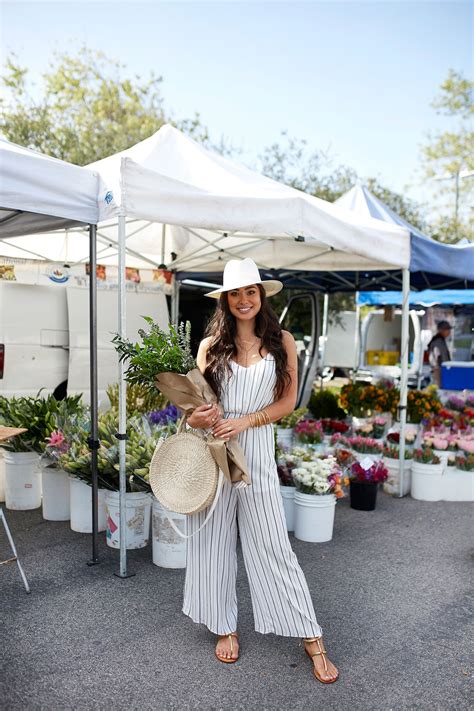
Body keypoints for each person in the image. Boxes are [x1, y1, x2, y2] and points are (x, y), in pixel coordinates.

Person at [184, 257, 339, 684]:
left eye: (250, 291)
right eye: (235, 293)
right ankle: (224, 625)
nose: (243, 300)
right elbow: (193, 403)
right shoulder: (210, 346)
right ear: (226, 300)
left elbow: (288, 403)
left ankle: (312, 636)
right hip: (215, 448)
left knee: (272, 543)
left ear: (262, 295)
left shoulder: (282, 340)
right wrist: (196, 417)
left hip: (255, 450)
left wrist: (246, 421)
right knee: (212, 541)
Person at [427, 320, 452, 387]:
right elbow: (434, 360)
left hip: (443, 373)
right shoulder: (437, 342)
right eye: (447, 329)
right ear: (441, 330)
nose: (449, 331)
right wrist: (437, 375)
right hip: (438, 374)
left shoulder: (441, 340)